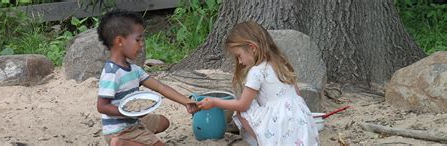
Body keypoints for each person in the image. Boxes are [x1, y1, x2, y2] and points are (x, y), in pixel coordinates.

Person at [197, 21, 319, 146]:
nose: (239, 61)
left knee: (241, 112)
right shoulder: (281, 63)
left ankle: (265, 141)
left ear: (252, 48)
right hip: (300, 121)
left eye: (239, 56)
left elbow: (242, 105)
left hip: (279, 124)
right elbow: (297, 94)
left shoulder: (257, 71)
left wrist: (214, 102)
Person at [96, 9, 199, 146]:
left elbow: (160, 87)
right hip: (118, 129)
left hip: (133, 121)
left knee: (163, 122)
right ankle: (121, 143)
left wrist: (186, 101)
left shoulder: (134, 70)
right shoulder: (112, 73)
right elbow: (102, 106)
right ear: (120, 41)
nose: (141, 44)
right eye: (138, 39)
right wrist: (129, 113)